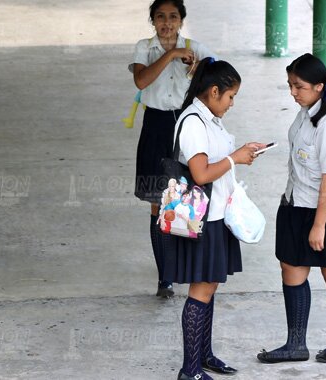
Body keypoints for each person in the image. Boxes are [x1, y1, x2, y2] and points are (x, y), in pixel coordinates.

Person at [257, 53, 326, 365]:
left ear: (319, 86)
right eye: (290, 85)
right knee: (291, 267)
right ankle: (295, 344)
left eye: (299, 86)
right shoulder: (307, 110)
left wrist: (319, 226)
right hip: (297, 202)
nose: (293, 92)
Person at [164, 57, 266, 380]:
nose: (232, 103)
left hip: (218, 215)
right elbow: (200, 172)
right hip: (203, 219)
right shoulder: (194, 122)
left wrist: (241, 153)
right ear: (213, 91)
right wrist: (235, 158)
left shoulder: (210, 116)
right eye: (230, 96)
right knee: (201, 290)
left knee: (210, 287)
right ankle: (189, 370)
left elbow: (218, 160)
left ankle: (204, 355)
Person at [131, 0, 215, 298]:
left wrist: (200, 68)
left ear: (182, 20)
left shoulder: (196, 47)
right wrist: (171, 55)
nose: (167, 22)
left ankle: (188, 265)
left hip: (186, 124)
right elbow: (141, 79)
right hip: (155, 126)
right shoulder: (145, 47)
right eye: (161, 17)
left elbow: (221, 76)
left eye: (173, 17)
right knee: (159, 203)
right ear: (152, 20)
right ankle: (165, 275)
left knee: (190, 197)